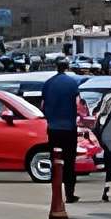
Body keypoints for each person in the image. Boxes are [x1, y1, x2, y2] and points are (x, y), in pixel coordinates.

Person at [37, 59, 85, 191]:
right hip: (69, 127)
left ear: (56, 67)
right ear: (67, 67)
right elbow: (78, 104)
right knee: (69, 161)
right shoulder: (72, 83)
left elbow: (42, 105)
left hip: (53, 128)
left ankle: (56, 192)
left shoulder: (48, 83)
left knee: (55, 160)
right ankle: (70, 193)